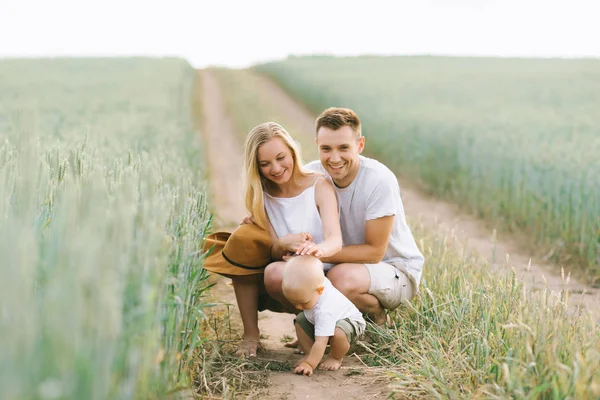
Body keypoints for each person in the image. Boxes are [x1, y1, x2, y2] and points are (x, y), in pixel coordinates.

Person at [264, 107, 425, 326]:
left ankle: (374, 318)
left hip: (394, 269)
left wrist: (314, 255)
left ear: (360, 145)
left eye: (343, 148)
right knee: (280, 275)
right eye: (326, 148)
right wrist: (255, 217)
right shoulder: (313, 176)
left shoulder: (379, 180)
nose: (334, 158)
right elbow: (279, 196)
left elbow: (375, 252)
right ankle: (315, 327)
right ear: (317, 146)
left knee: (338, 279)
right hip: (339, 264)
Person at [232, 121, 342, 357]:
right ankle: (252, 335)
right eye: (265, 164)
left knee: (280, 271)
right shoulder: (262, 196)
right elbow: (273, 252)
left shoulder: (319, 185)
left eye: (281, 157)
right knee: (243, 248)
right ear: (257, 167)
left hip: (320, 272)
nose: (276, 168)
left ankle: (316, 327)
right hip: (285, 274)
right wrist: (282, 244)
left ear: (292, 152)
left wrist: (314, 249)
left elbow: (335, 240)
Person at [282, 255, 365, 376]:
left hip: (350, 323)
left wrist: (310, 365)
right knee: (300, 320)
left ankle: (335, 357)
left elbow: (321, 341)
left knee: (338, 333)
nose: (298, 307)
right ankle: (310, 354)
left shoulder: (324, 309)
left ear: (320, 290)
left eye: (303, 302)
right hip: (323, 319)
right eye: (294, 302)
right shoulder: (315, 285)